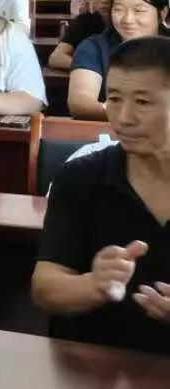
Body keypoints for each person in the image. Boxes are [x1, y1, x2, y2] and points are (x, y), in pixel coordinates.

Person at [30, 36, 170, 355]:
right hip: (93, 367)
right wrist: (93, 285)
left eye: (143, 102)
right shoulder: (81, 176)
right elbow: (45, 288)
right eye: (115, 99)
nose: (124, 117)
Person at [68, 0, 170, 120]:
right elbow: (80, 103)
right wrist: (137, 117)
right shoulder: (94, 48)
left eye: (139, 11)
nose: (127, 19)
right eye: (118, 9)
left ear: (162, 13)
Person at [48, 0, 131, 71]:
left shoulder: (132, 24)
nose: (105, 0)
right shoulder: (85, 22)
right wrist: (94, 68)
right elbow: (56, 58)